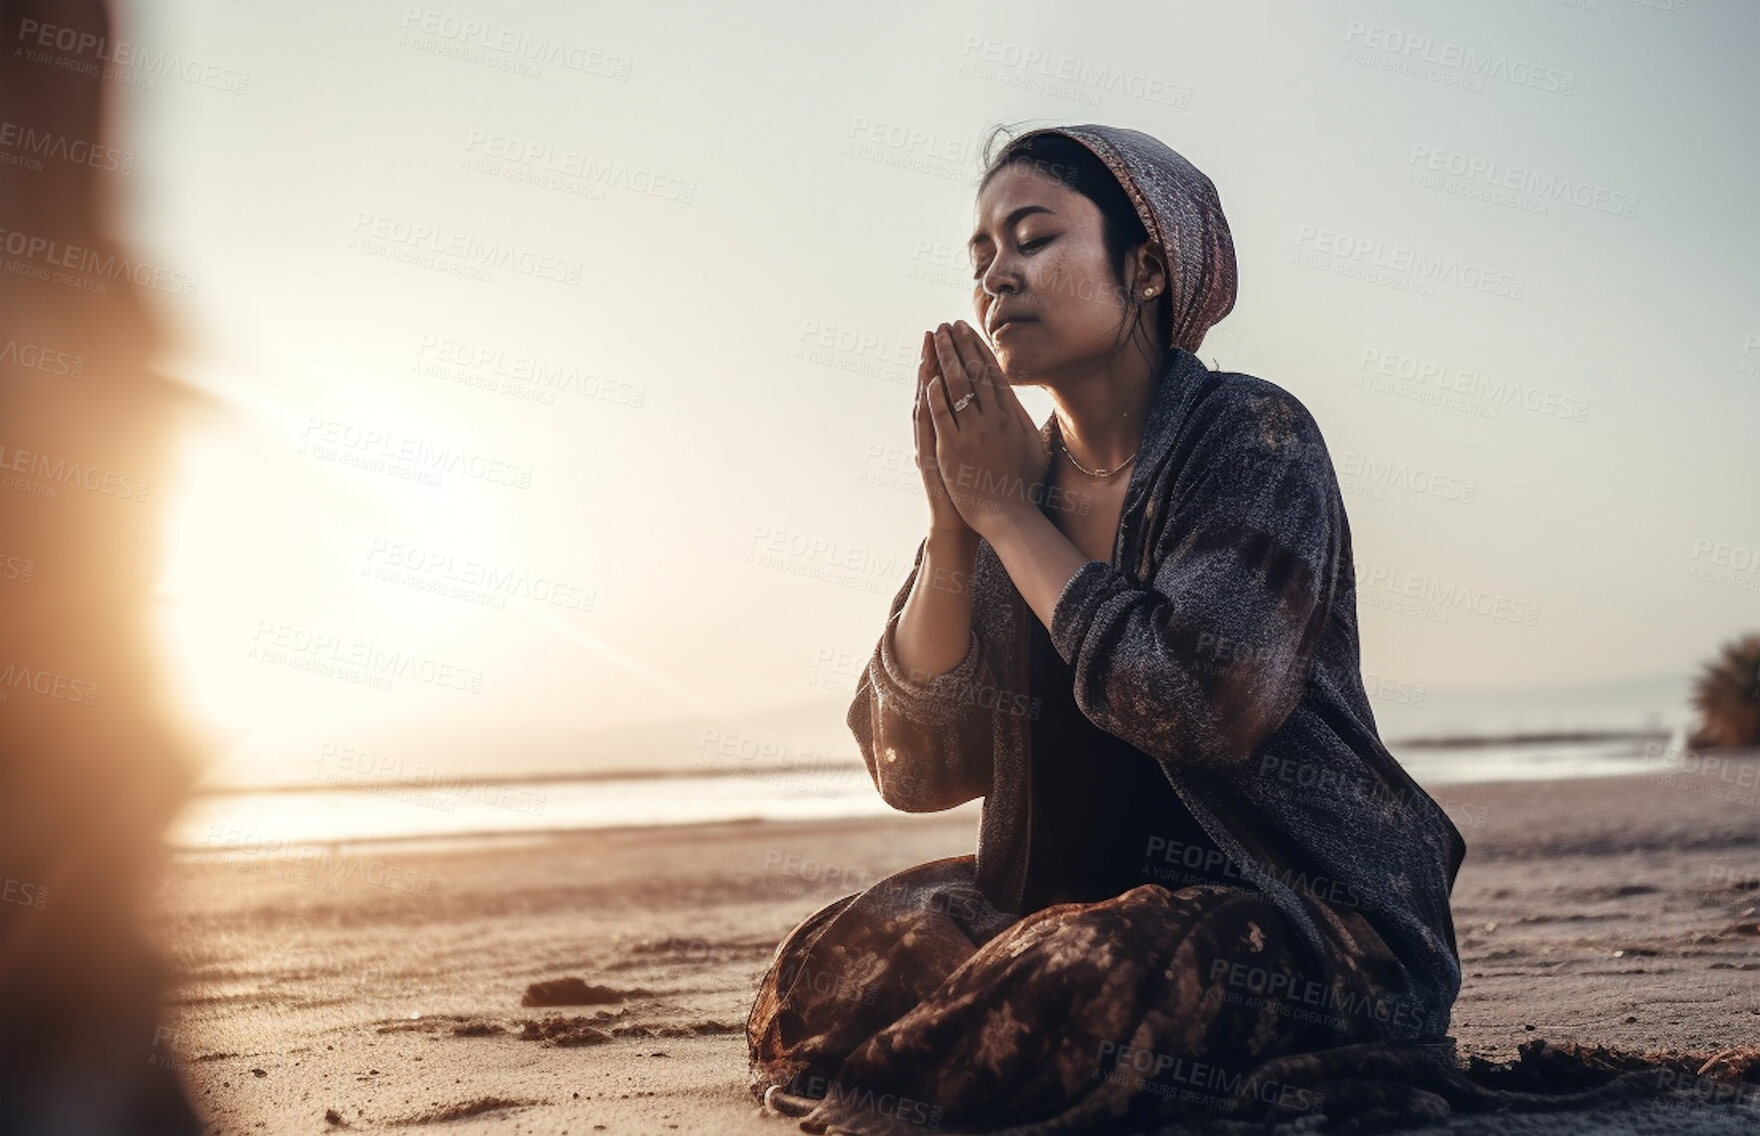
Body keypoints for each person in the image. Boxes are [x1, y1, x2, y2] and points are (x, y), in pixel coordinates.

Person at [745, 123, 1469, 1135]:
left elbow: (1200, 705)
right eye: (980, 254)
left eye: (1032, 237)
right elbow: (913, 771)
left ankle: (984, 1048)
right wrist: (953, 528)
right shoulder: (1014, 472)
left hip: (1292, 917)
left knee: (1083, 974)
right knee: (827, 967)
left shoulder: (1253, 440)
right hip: (1064, 907)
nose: (995, 275)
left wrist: (1009, 519)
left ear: (1142, 269)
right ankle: (985, 1035)